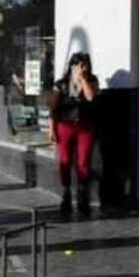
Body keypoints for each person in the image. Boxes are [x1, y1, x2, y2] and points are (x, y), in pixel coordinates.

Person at [48, 51, 99, 217]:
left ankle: (83, 197)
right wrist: (51, 129)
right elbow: (53, 108)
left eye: (84, 65)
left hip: (85, 126)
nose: (80, 68)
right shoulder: (61, 84)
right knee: (65, 160)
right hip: (65, 125)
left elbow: (91, 98)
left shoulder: (92, 80)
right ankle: (66, 195)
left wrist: (83, 79)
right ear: (71, 66)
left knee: (83, 162)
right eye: (77, 65)